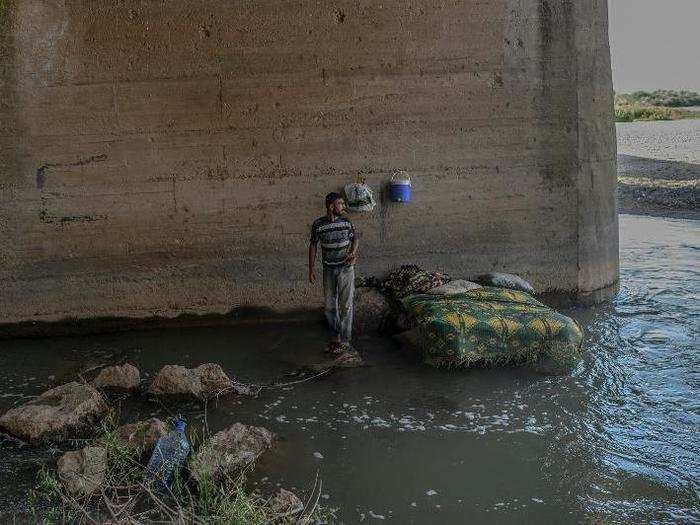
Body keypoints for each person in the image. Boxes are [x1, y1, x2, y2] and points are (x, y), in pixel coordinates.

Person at [309, 192, 359, 354]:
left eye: (343, 204)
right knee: (330, 307)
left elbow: (355, 239)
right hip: (328, 269)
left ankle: (345, 340)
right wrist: (311, 269)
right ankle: (334, 338)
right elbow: (313, 245)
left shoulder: (346, 222)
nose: (343, 206)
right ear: (331, 206)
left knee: (346, 305)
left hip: (345, 269)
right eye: (340, 204)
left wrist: (352, 252)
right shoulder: (318, 224)